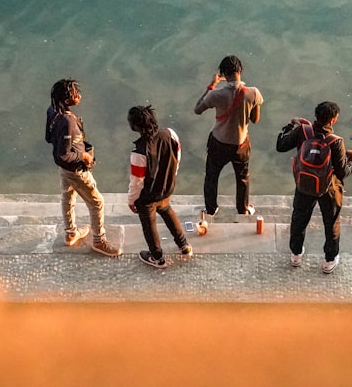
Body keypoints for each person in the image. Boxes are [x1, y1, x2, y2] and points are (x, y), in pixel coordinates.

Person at [276, 101, 352, 274]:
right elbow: (342, 172)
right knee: (331, 222)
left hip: (304, 184)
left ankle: (296, 255)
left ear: (316, 115)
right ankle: (329, 260)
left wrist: (291, 125)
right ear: (333, 120)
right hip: (328, 188)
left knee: (299, 219)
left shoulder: (302, 131)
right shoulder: (335, 142)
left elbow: (281, 146)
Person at [45, 78, 121, 257]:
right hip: (75, 170)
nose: (79, 95)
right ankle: (99, 241)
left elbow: (49, 138)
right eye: (74, 93)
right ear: (66, 100)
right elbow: (64, 155)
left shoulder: (52, 111)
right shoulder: (67, 121)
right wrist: (84, 156)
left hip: (64, 169)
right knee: (97, 202)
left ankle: (71, 233)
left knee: (68, 196)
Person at [193, 55, 264, 217]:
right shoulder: (253, 93)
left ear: (223, 74)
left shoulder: (216, 95)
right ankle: (242, 208)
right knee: (243, 177)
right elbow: (255, 119)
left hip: (218, 142)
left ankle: (211, 209)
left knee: (212, 176)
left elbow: (197, 109)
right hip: (241, 144)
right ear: (241, 70)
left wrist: (211, 85)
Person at [126, 105, 191, 269]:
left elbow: (137, 181)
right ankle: (184, 246)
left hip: (148, 196)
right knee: (167, 209)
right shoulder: (170, 134)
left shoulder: (139, 151)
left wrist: (132, 200)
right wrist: (171, 177)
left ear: (134, 126)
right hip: (167, 187)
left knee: (149, 224)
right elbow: (178, 156)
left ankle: (157, 257)